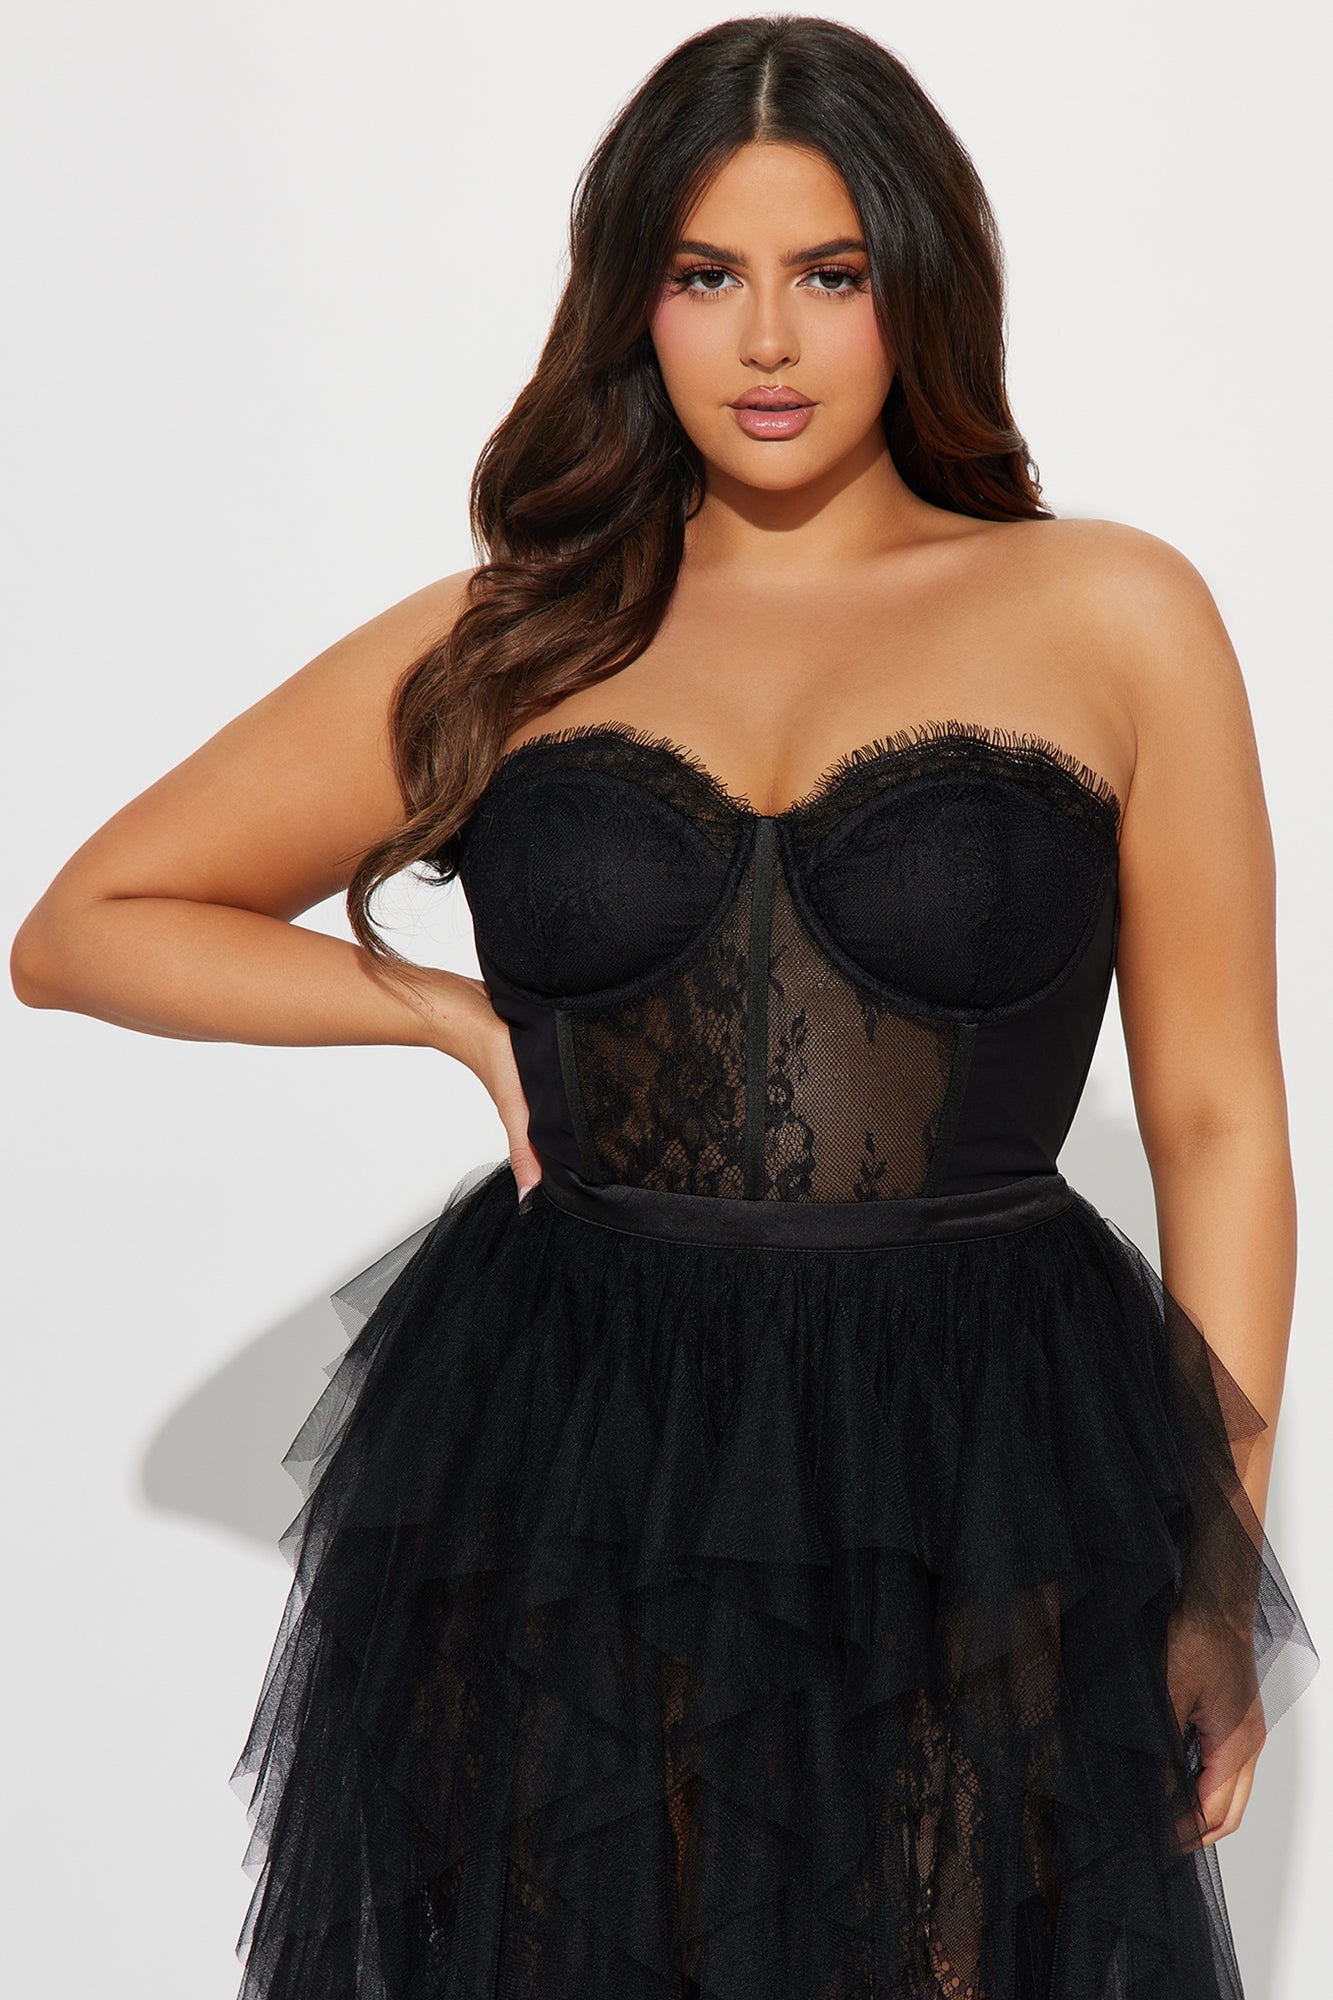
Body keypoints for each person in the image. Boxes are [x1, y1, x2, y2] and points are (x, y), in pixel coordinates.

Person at [10, 14, 1320, 1998]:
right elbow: (85, 924)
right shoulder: (520, 634)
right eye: (707, 275)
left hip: (967, 1446)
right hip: (580, 1437)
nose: (766, 341)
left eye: (829, 274)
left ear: (917, 285)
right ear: (635, 295)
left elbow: (1218, 1116)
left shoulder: (1111, 612)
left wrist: (1214, 1564)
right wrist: (449, 1016)